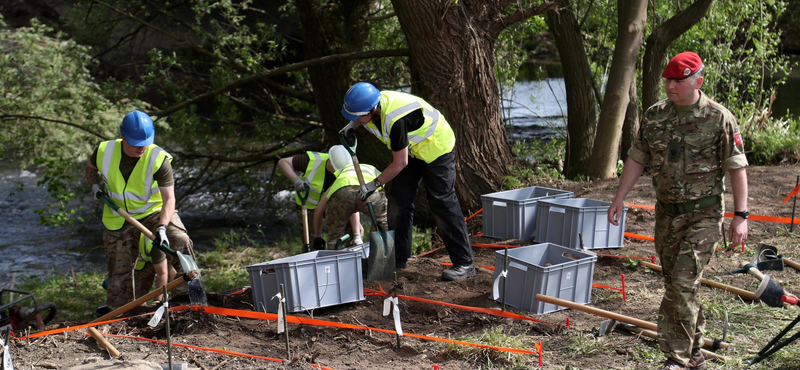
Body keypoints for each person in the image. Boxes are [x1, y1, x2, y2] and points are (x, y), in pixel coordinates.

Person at [607, 52, 749, 370]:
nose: (670, 85)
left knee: (682, 285)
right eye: (667, 80)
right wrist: (619, 198)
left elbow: (737, 168)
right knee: (679, 287)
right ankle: (696, 356)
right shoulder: (656, 115)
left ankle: (676, 359)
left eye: (678, 80)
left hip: (705, 216)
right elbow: (637, 157)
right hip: (666, 215)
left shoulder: (719, 118)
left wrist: (741, 216)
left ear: (697, 81)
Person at [339, 82, 475, 281]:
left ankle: (464, 263)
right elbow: (402, 158)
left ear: (373, 110)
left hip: (436, 147)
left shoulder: (396, 120)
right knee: (399, 198)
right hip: (412, 149)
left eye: (357, 116)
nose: (356, 119)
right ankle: (399, 257)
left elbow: (400, 162)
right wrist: (352, 125)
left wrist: (374, 184)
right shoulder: (371, 107)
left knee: (441, 202)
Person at [85, 110, 194, 313]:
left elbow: (169, 199)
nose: (142, 147)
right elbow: (90, 168)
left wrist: (162, 228)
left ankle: (186, 302)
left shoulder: (159, 158)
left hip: (153, 213)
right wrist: (95, 186)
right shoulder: (104, 151)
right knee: (119, 277)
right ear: (123, 137)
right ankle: (123, 316)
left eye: (145, 141)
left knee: (180, 240)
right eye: (136, 142)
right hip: (118, 218)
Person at [277, 150, 363, 247]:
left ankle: (349, 253)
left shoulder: (347, 172)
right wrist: (296, 180)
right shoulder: (312, 161)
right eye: (336, 169)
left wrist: (357, 235)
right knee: (312, 242)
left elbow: (351, 205)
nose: (337, 173)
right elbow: (283, 162)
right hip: (307, 205)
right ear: (330, 161)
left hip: (333, 205)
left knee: (354, 232)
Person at [312, 146, 388, 250]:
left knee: (335, 235)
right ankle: (374, 254)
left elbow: (318, 211)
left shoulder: (340, 179)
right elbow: (382, 187)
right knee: (380, 223)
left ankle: (336, 261)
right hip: (371, 191)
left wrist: (317, 236)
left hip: (342, 193)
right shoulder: (369, 167)